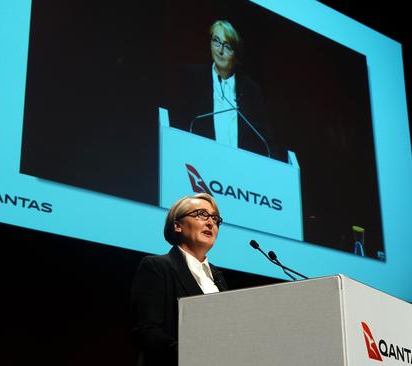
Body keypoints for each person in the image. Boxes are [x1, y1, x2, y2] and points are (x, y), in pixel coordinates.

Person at [131, 193, 228, 366]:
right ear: (177, 226)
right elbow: (148, 331)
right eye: (201, 214)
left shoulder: (218, 277)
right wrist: (196, 356)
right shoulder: (157, 266)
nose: (210, 222)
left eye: (215, 218)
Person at [170, 20, 281, 160]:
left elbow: (267, 141)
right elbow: (177, 124)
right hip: (198, 161)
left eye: (227, 46)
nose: (220, 50)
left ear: (236, 55)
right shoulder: (193, 77)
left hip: (239, 171)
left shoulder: (251, 90)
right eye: (216, 41)